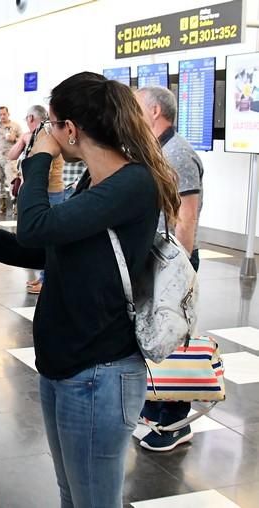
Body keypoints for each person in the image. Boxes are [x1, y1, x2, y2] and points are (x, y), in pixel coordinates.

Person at [0, 71, 180, 507]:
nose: (45, 134)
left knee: (94, 500)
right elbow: (51, 248)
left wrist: (38, 158)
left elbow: (36, 224)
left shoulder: (133, 185)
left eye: (50, 126)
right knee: (73, 494)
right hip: (65, 364)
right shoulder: (93, 182)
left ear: (69, 131)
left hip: (100, 370)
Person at [136, 85, 204, 452]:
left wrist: (180, 273)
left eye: (136, 109)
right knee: (154, 334)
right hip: (155, 260)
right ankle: (155, 407)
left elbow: (186, 217)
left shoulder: (177, 154)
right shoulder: (156, 151)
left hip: (172, 264)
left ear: (156, 112)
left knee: (174, 338)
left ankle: (175, 421)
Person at [8, 105, 65, 294]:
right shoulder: (34, 136)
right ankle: (43, 277)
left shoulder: (46, 136)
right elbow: (11, 155)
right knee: (40, 239)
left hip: (50, 192)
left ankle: (47, 281)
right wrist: (24, 139)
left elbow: (45, 169)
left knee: (48, 239)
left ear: (31, 117)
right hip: (42, 191)